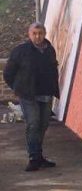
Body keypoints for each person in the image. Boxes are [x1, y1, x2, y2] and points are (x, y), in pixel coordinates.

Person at [3, 22, 60, 172]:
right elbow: (8, 73)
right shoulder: (21, 51)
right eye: (34, 33)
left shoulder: (49, 50)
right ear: (29, 34)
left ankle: (39, 155)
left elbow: (53, 69)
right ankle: (34, 158)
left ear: (44, 34)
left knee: (43, 125)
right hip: (29, 96)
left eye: (40, 33)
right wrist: (18, 88)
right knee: (33, 124)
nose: (37, 36)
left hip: (46, 94)